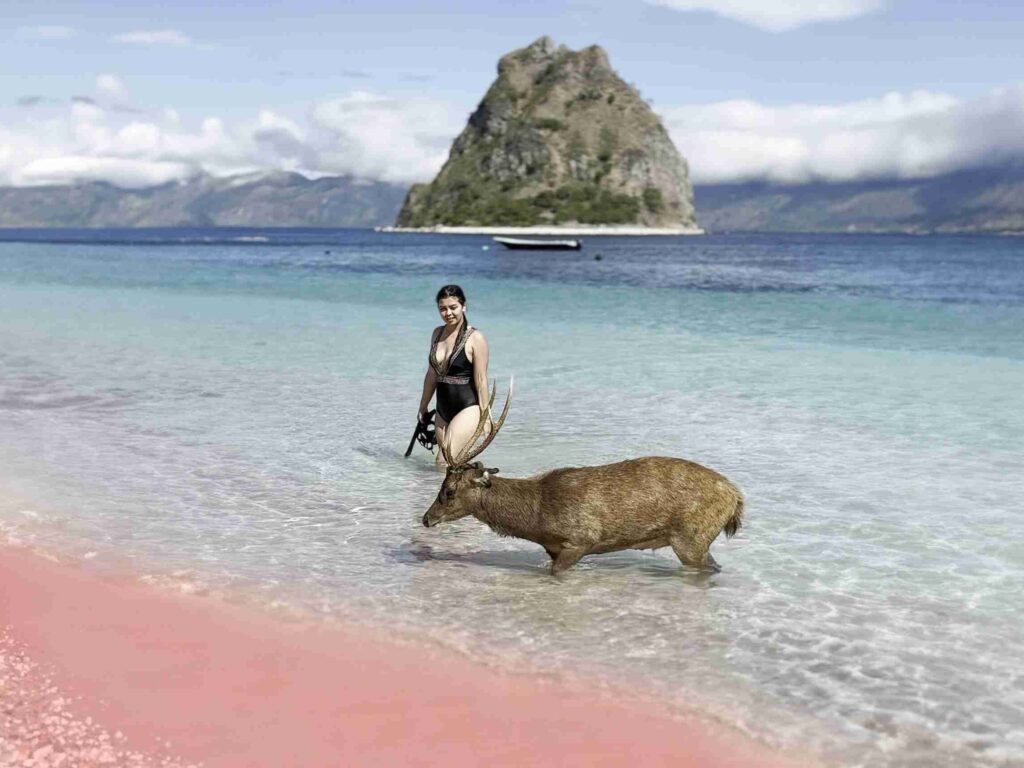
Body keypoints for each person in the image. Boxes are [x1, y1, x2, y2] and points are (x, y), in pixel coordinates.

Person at [417, 285, 490, 466]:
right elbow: (431, 374)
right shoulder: (437, 334)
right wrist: (423, 406)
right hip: (443, 410)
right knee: (455, 464)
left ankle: (431, 493)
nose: (448, 313)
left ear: (463, 307)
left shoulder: (475, 338)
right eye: (443, 309)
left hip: (468, 407)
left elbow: (481, 380)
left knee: (443, 461)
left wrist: (486, 416)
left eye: (453, 307)